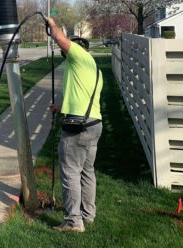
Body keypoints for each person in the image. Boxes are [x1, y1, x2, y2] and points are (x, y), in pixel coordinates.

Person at [47, 17, 103, 233]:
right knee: (87, 171)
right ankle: (88, 215)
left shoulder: (79, 56)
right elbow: (84, 98)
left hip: (77, 128)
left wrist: (51, 23)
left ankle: (73, 222)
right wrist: (61, 107)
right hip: (94, 124)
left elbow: (59, 38)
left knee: (70, 172)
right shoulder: (94, 69)